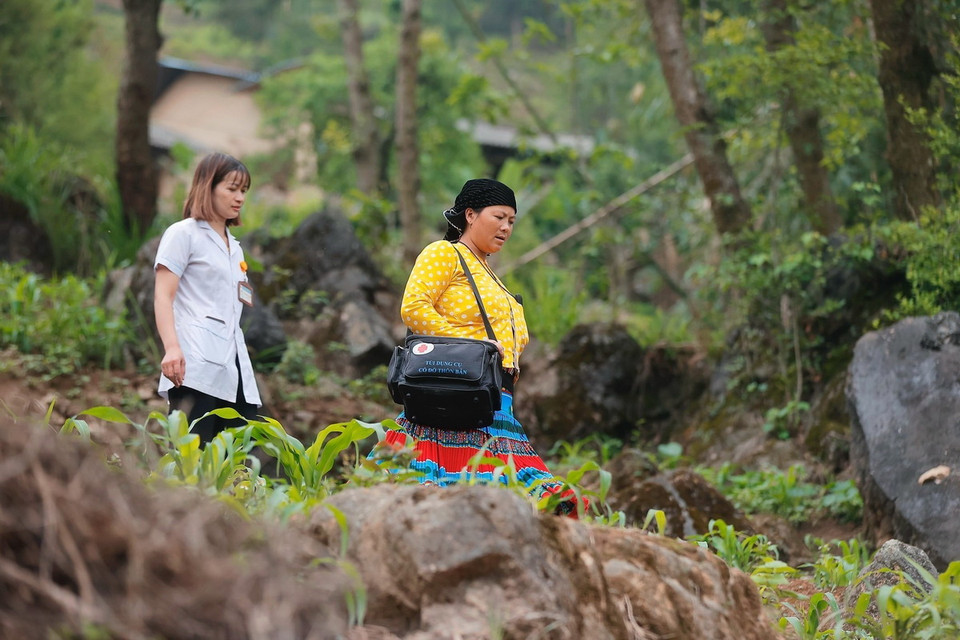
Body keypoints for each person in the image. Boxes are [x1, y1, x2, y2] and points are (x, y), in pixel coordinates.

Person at [379, 178, 585, 516]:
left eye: (512, 221)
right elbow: (414, 308)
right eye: (499, 216)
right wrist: (472, 345)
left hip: (496, 405)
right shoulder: (445, 253)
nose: (506, 227)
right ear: (470, 215)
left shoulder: (490, 274)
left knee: (533, 507)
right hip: (454, 394)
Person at [154, 152, 262, 444]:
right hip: (194, 361)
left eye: (243, 191)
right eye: (231, 188)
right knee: (193, 451)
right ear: (207, 186)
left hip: (232, 363)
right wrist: (172, 349)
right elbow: (163, 296)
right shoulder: (183, 234)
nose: (239, 197)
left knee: (239, 453)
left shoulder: (235, 248)